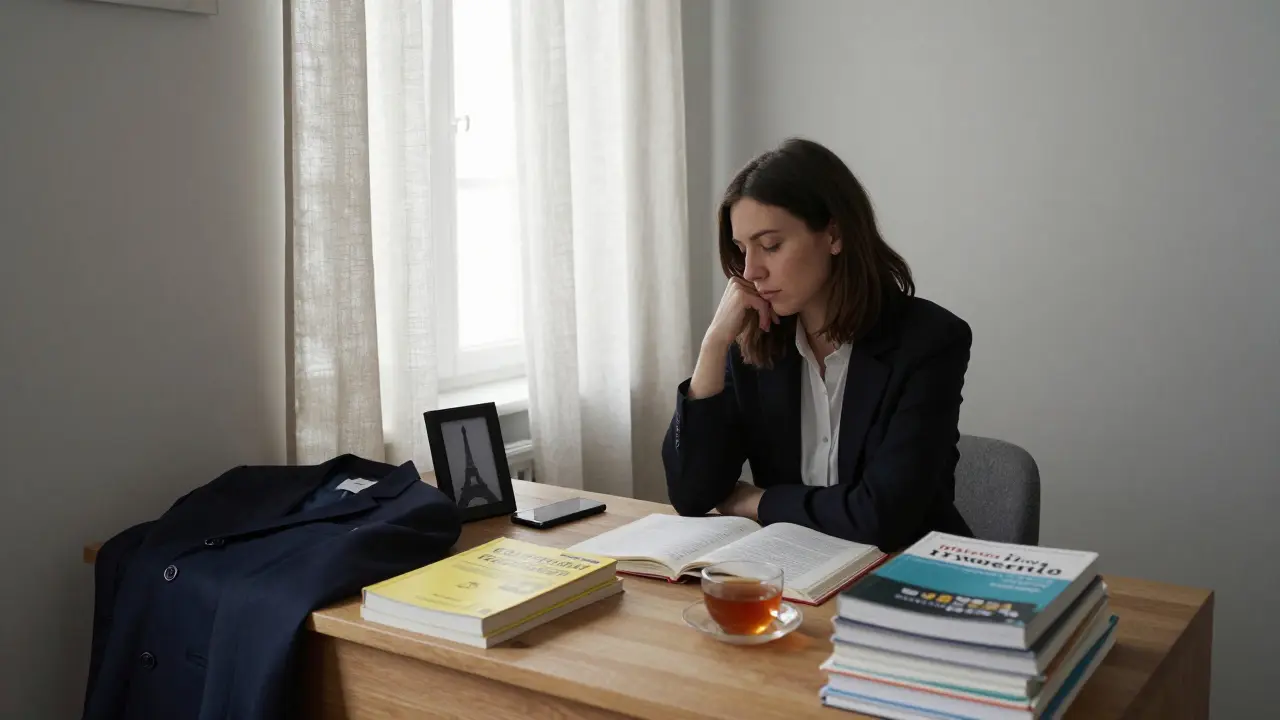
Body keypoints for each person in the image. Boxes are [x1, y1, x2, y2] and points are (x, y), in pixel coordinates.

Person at [661, 138, 974, 552]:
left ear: (834, 234)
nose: (751, 270)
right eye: (742, 249)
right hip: (797, 574)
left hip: (906, 577)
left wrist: (758, 500)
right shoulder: (754, 344)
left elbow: (882, 517)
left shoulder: (928, 342)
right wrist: (713, 345)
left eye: (770, 245)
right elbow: (692, 494)